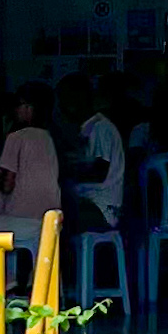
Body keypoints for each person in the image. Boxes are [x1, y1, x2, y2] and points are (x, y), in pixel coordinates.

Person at [0, 88, 61, 274]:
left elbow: (7, 185)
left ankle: (4, 287)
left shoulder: (16, 137)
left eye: (17, 106)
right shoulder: (49, 137)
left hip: (20, 222)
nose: (14, 111)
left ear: (29, 108)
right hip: (51, 221)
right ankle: (15, 283)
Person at [64, 74, 127, 229]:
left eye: (65, 100)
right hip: (91, 202)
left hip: (102, 207)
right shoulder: (87, 129)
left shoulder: (100, 128)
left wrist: (67, 171)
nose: (62, 108)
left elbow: (99, 172)